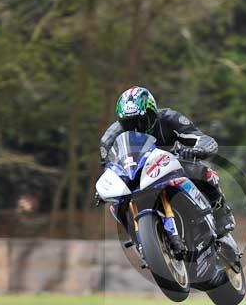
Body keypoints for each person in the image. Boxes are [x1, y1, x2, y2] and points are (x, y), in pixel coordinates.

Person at [99, 86, 235, 237]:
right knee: (117, 203)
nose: (137, 128)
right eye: (129, 124)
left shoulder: (170, 118)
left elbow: (198, 137)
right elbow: (108, 167)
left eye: (141, 121)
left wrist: (198, 149)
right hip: (136, 175)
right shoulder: (110, 137)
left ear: (153, 114)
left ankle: (220, 212)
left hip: (170, 165)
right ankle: (138, 238)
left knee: (201, 170)